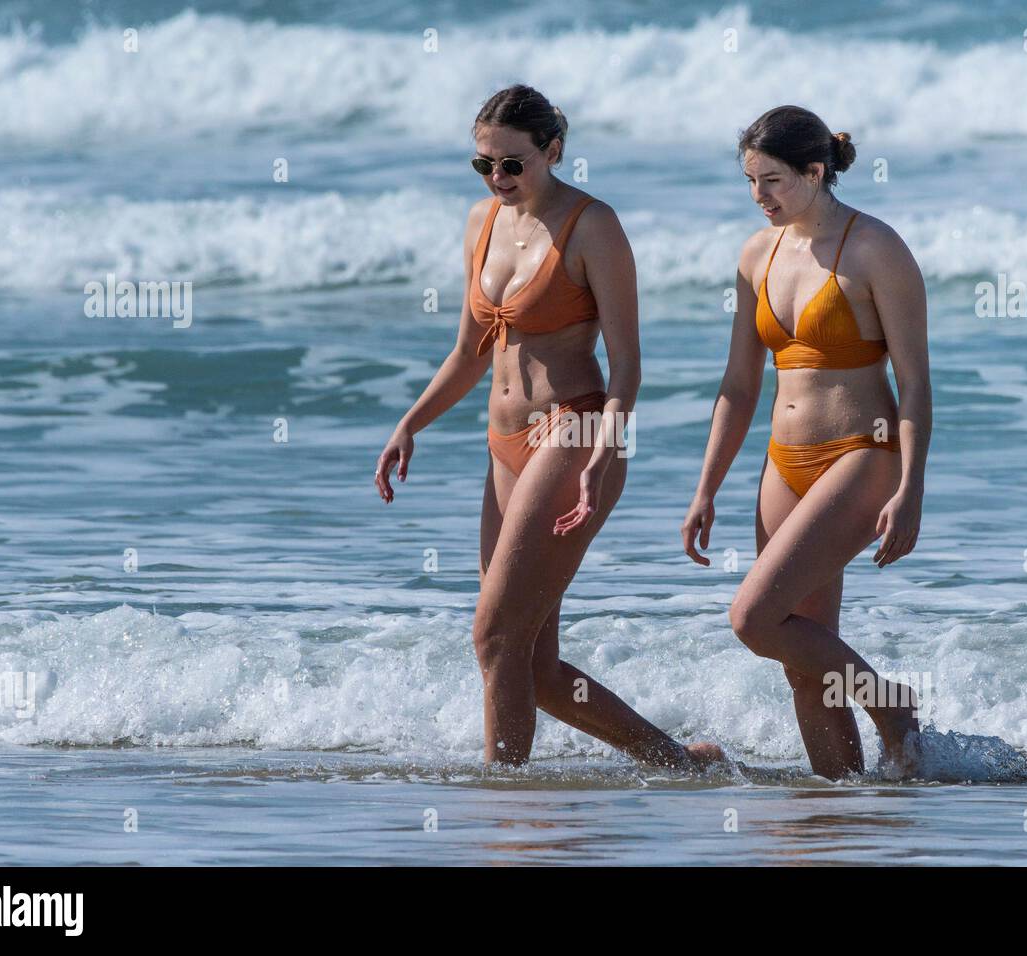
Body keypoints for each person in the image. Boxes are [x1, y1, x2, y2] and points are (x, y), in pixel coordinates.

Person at [376, 84, 722, 770]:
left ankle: (505, 800)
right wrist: (411, 423)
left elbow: (628, 367)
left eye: (513, 164)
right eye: (484, 165)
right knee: (530, 662)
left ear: (554, 151)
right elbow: (469, 350)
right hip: (502, 445)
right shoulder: (481, 222)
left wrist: (602, 452)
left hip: (576, 432)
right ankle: (680, 763)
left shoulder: (593, 226)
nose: (498, 178)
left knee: (492, 635)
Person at [683, 106, 932, 779]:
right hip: (783, 463)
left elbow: (914, 384)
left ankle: (892, 707)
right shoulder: (756, 253)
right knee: (802, 666)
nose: (758, 197)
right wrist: (707, 486)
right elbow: (738, 383)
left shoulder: (875, 248)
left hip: (862, 453)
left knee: (754, 619)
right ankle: (838, 809)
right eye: (750, 182)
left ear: (815, 173)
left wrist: (911, 489)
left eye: (772, 181)